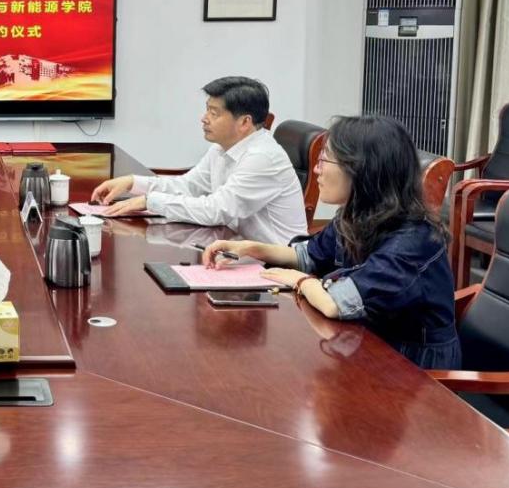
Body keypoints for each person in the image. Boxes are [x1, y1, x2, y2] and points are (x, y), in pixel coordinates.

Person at [202, 115, 460, 369]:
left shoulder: (412, 242)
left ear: (362, 169)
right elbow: (309, 255)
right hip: (364, 345)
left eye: (325, 160)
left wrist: (300, 281)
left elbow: (336, 303)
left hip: (413, 370)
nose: (316, 169)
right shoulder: (359, 214)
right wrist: (251, 248)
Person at [91, 76, 306, 245]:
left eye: (214, 113)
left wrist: (150, 201)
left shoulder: (262, 157)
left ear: (244, 122)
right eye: (207, 110)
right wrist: (132, 183)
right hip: (236, 249)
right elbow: (188, 186)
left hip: (276, 267)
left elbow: (216, 211)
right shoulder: (221, 148)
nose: (204, 119)